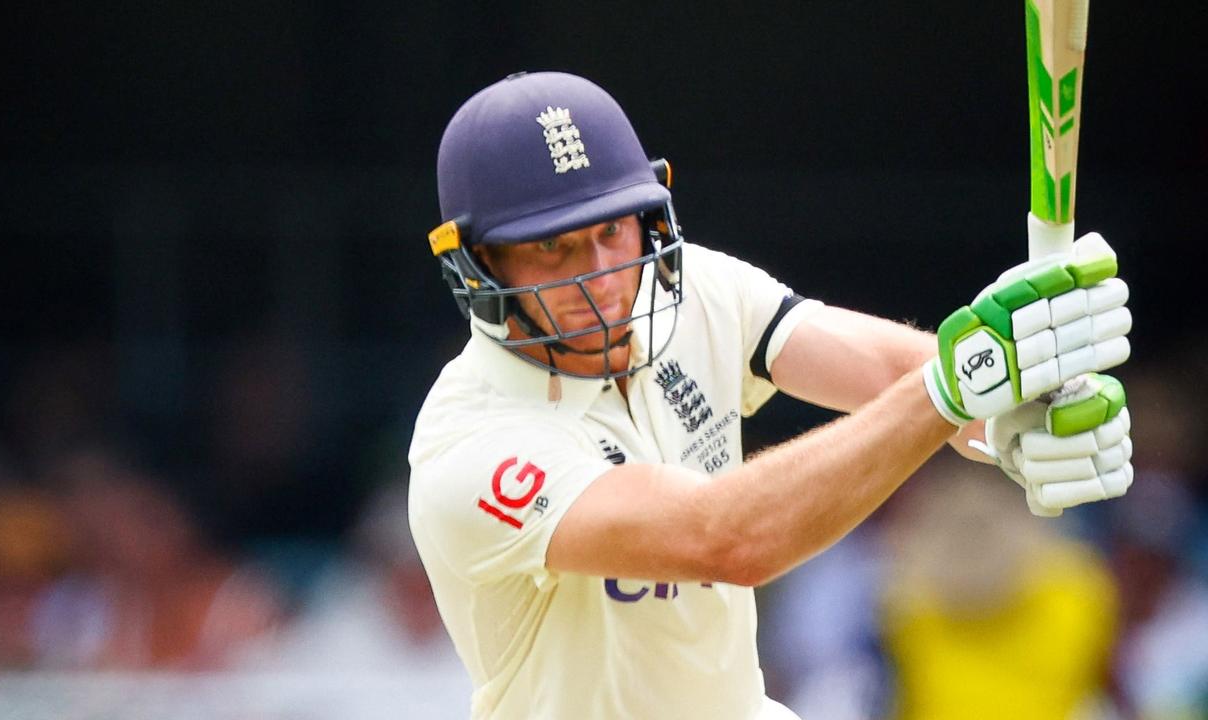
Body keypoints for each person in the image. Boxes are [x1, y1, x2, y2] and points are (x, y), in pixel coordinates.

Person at [407, 71, 1134, 719]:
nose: (601, 276)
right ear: (479, 265)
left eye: (611, 231)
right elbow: (727, 538)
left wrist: (1017, 417)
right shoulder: (471, 444)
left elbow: (892, 374)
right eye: (552, 247)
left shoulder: (689, 288)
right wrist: (956, 387)